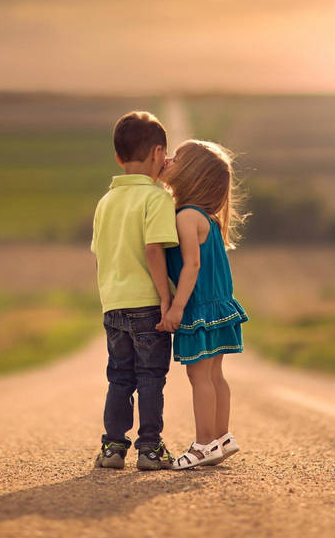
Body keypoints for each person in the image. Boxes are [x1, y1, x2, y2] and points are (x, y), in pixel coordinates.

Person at [90, 111, 178, 471]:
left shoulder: (105, 202)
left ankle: (112, 448)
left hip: (113, 304)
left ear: (118, 157)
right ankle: (149, 448)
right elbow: (154, 249)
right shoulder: (156, 199)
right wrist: (165, 297)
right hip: (146, 303)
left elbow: (101, 256)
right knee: (151, 378)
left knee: (119, 377)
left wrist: (108, 297)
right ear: (158, 153)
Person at [158, 139, 249, 470]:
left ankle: (204, 444)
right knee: (214, 375)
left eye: (177, 158)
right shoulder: (207, 218)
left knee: (200, 377)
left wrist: (177, 307)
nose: (168, 159)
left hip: (198, 308)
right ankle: (222, 438)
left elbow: (192, 267)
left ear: (192, 174)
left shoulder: (185, 217)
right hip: (219, 306)